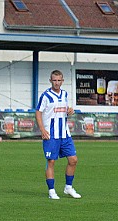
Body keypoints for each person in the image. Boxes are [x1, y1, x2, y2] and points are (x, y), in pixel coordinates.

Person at [35, 70, 81, 200]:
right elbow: (38, 112)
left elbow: (63, 111)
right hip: (51, 134)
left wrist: (69, 111)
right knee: (51, 161)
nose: (57, 83)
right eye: (54, 80)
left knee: (73, 160)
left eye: (59, 80)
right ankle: (51, 191)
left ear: (62, 81)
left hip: (65, 134)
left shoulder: (65, 94)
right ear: (50, 81)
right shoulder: (46, 96)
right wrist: (42, 130)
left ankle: (68, 187)